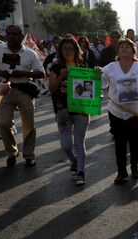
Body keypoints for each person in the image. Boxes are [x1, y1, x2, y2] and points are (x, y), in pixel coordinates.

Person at [0, 25, 45, 168]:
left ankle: (29, 154)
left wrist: (23, 73)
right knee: (3, 123)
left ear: (21, 36)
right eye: (9, 34)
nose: (11, 36)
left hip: (24, 90)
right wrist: (0, 72)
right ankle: (12, 152)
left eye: (15, 34)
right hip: (4, 89)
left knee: (29, 124)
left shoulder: (30, 53)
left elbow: (41, 73)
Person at [101, 38, 138, 183]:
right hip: (117, 112)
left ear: (133, 50)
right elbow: (103, 84)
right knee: (120, 142)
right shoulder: (110, 67)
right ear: (117, 51)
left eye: (127, 47)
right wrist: (97, 74)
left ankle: (134, 168)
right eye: (121, 46)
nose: (124, 48)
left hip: (137, 112)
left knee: (135, 140)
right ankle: (121, 171)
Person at [48, 37, 91, 185]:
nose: (68, 51)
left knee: (79, 142)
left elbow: (91, 89)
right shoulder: (55, 67)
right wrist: (61, 76)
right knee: (66, 145)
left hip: (81, 111)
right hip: (62, 111)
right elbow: (51, 88)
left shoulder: (83, 67)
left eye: (70, 48)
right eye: (64, 48)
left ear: (76, 50)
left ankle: (81, 172)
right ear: (60, 51)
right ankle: (74, 161)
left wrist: (97, 73)